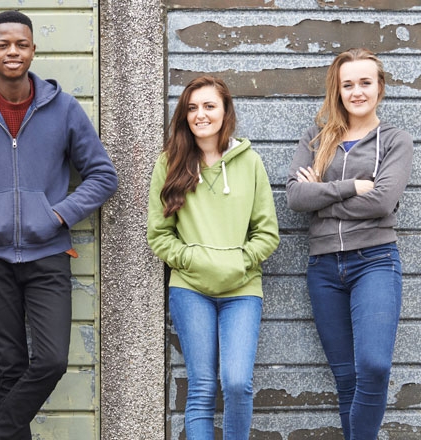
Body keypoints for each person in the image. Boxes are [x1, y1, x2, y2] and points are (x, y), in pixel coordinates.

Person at [0, 10, 117, 440]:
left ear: (33, 49)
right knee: (9, 367)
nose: (12, 52)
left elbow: (104, 176)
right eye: (3, 44)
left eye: (21, 44)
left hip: (48, 254)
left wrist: (57, 214)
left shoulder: (63, 109)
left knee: (51, 360)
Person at [286, 48, 413, 439]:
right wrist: (349, 188)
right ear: (337, 90)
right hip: (323, 268)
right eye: (348, 84)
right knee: (346, 379)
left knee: (373, 366)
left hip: (374, 261)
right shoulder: (316, 137)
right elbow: (294, 198)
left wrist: (322, 199)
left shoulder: (395, 140)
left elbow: (382, 201)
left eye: (365, 82)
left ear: (380, 88)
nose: (357, 91)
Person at [146, 76, 279, 439]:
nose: (200, 115)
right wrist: (191, 260)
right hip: (191, 289)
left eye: (209, 106)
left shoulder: (250, 162)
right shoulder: (169, 164)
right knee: (202, 387)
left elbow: (267, 233)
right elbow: (158, 234)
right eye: (192, 108)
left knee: (236, 383)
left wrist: (239, 262)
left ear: (225, 112)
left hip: (242, 290)